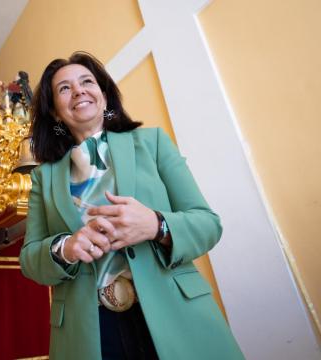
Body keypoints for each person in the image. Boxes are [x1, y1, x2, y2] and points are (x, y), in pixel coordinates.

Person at [19, 52, 244, 360]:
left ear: (104, 95)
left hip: (173, 311)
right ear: (56, 112)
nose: (79, 90)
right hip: (91, 330)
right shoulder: (44, 177)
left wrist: (156, 224)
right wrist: (65, 248)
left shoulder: (152, 143)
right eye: (64, 88)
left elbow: (208, 224)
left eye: (87, 82)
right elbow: (30, 259)